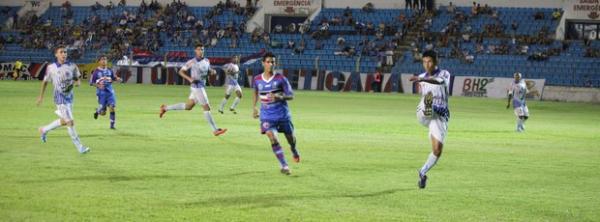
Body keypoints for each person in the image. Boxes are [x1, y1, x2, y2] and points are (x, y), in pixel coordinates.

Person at [159, 43, 227, 136]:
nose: (201, 51)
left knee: (188, 107)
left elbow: (208, 70)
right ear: (195, 51)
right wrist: (190, 79)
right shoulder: (192, 62)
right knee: (207, 108)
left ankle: (165, 108)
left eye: (202, 49)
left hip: (201, 86)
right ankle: (215, 129)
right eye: (199, 49)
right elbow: (181, 71)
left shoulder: (207, 60)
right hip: (197, 87)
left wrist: (212, 71)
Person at [252, 52, 300, 175]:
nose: (271, 64)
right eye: (268, 62)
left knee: (290, 139)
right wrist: (254, 107)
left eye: (273, 62)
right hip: (267, 116)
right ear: (263, 63)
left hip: (282, 115)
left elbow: (291, 96)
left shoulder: (281, 79)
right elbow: (255, 92)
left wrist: (279, 97)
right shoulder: (257, 79)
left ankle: (293, 149)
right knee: (272, 138)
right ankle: (284, 165)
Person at [36, 45, 90, 154]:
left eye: (65, 52)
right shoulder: (51, 68)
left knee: (64, 121)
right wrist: (41, 96)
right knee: (70, 122)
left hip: (70, 97)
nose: (64, 54)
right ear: (56, 54)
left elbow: (78, 79)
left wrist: (77, 83)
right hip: (59, 97)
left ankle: (44, 130)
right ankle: (80, 147)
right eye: (61, 52)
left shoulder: (72, 66)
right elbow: (45, 81)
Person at [409, 50, 450, 189]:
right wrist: (422, 79)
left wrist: (422, 79)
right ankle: (428, 105)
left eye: (430, 61)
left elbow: (439, 81)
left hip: (439, 116)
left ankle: (422, 172)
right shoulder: (421, 77)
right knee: (427, 101)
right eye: (424, 62)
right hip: (424, 113)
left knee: (437, 150)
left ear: (435, 62)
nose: (427, 64)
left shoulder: (444, 74)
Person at [90, 55, 121, 129]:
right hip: (101, 93)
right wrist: (98, 86)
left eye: (105, 59)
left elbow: (113, 78)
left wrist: (118, 79)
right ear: (99, 61)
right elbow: (91, 83)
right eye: (102, 59)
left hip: (110, 92)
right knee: (103, 113)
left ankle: (112, 125)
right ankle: (98, 111)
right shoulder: (96, 72)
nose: (104, 61)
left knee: (112, 107)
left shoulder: (110, 70)